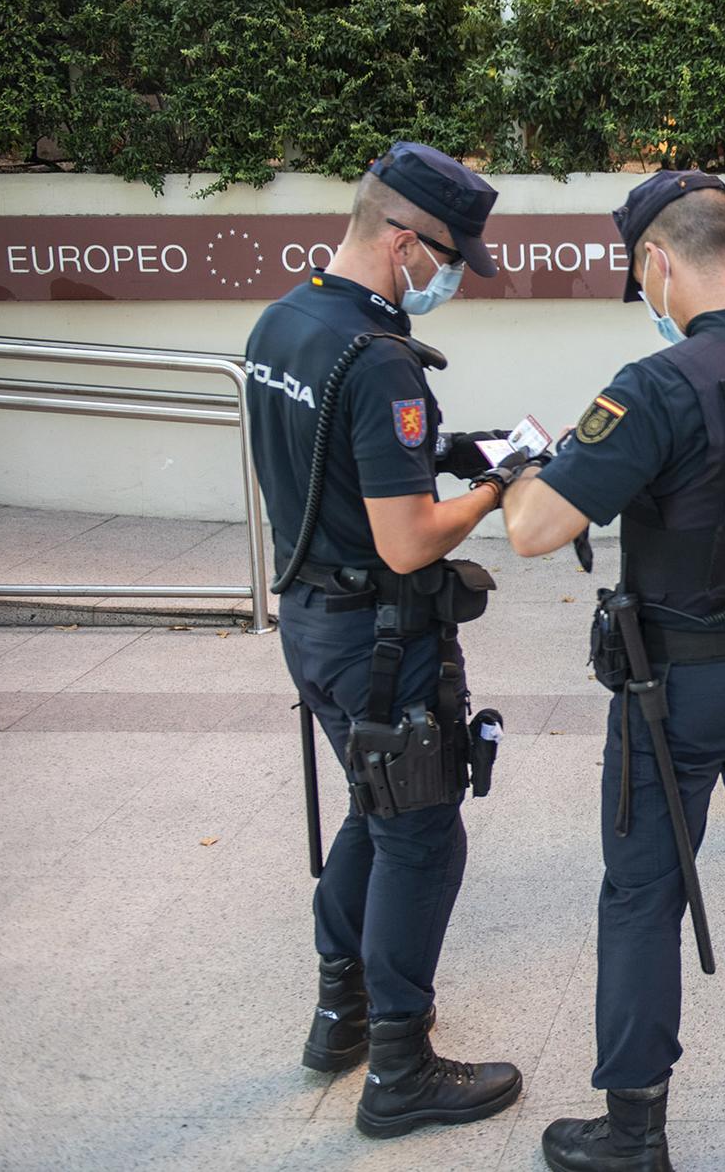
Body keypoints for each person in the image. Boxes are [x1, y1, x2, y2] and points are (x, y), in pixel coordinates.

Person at [503, 170, 725, 1171]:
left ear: (656, 262)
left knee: (641, 893)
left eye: (639, 273)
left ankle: (634, 1129)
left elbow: (535, 528)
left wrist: (532, 461)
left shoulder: (656, 387)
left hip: (680, 696)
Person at [245, 142, 525, 1136]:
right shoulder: (381, 359)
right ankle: (399, 1065)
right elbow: (409, 536)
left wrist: (439, 450)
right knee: (420, 829)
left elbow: (327, 462)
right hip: (379, 636)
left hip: (313, 624)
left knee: (372, 806)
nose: (451, 277)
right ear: (404, 239)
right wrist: (497, 484)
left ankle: (340, 1010)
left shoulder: (285, 321)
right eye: (448, 257)